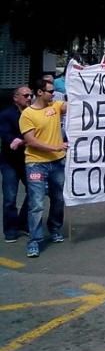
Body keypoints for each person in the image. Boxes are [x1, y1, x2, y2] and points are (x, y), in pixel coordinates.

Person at [20, 77, 68, 258]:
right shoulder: (28, 114)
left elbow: (74, 105)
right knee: (37, 204)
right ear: (40, 92)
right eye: (50, 91)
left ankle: (55, 228)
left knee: (58, 199)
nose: (53, 94)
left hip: (57, 163)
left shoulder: (55, 107)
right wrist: (55, 147)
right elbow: (31, 141)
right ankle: (34, 241)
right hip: (36, 164)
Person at [0, 87, 31, 242]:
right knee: (10, 198)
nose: (29, 98)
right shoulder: (7, 114)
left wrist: (22, 140)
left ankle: (23, 223)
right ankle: (10, 231)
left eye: (30, 95)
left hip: (28, 160)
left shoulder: (33, 113)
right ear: (16, 98)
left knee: (34, 192)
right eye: (26, 95)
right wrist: (17, 140)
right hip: (10, 162)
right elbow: (7, 135)